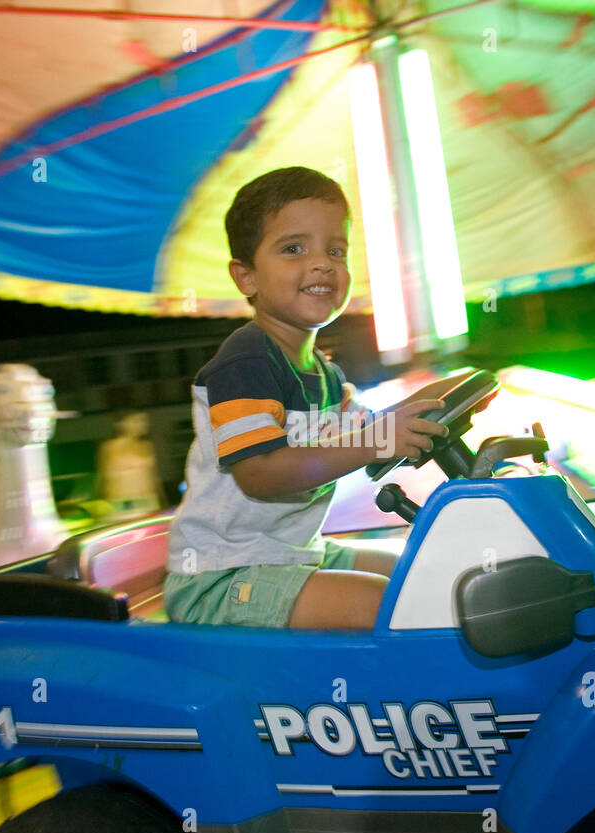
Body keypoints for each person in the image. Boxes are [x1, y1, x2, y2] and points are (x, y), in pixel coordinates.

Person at [163, 166, 450, 630]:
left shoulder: (325, 375)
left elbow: (371, 431)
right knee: (394, 605)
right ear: (246, 277)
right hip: (221, 576)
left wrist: (439, 402)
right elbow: (259, 473)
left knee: (417, 570)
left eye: (335, 250)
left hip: (290, 554)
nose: (321, 264)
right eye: (294, 249)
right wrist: (379, 440)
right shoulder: (246, 363)